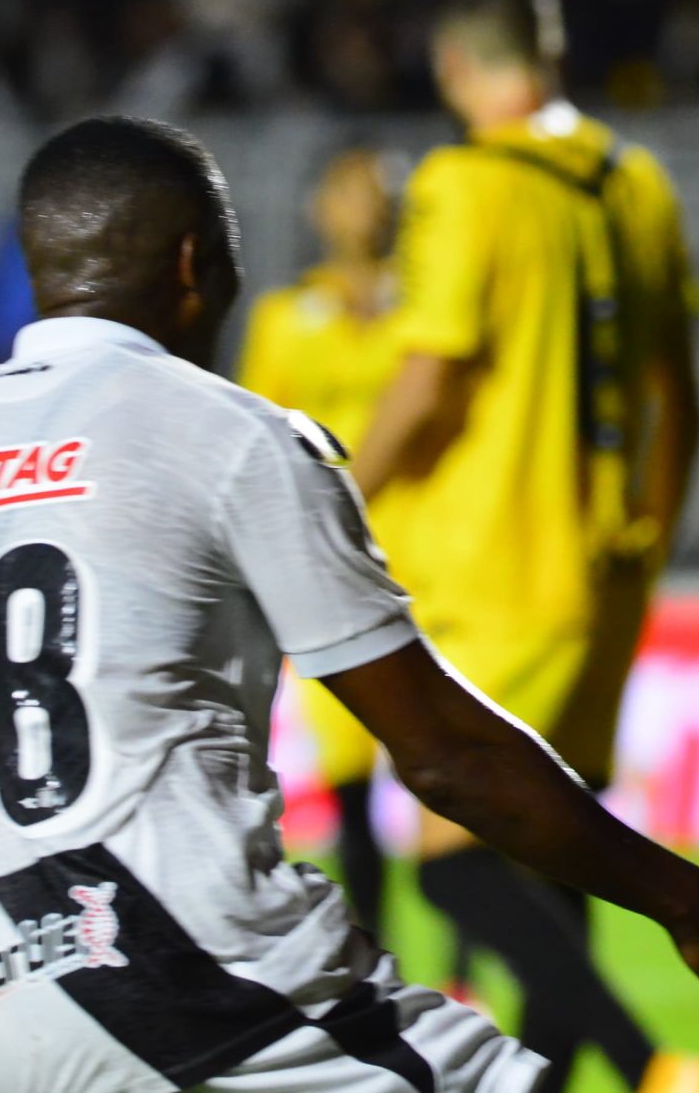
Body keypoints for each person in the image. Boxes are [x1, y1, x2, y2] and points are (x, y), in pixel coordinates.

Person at [0, 116, 699, 1093]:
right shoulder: (224, 432)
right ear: (193, 262)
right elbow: (447, 757)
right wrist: (691, 900)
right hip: (204, 990)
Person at [351, 0, 699, 1093]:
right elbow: (682, 400)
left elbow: (429, 382)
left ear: (454, 63)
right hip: (604, 578)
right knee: (553, 865)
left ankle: (655, 1069)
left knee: (455, 868)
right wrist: (646, 535)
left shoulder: (470, 183)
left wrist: (328, 497)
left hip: (495, 569)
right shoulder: (634, 178)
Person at [236, 145, 409, 945]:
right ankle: (376, 956)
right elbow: (257, 437)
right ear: (320, 210)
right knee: (350, 784)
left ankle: (472, 971)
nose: (364, 207)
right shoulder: (285, 318)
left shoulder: (428, 308)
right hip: (336, 569)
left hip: (438, 557)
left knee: (464, 778)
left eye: (376, 192)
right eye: (347, 190)